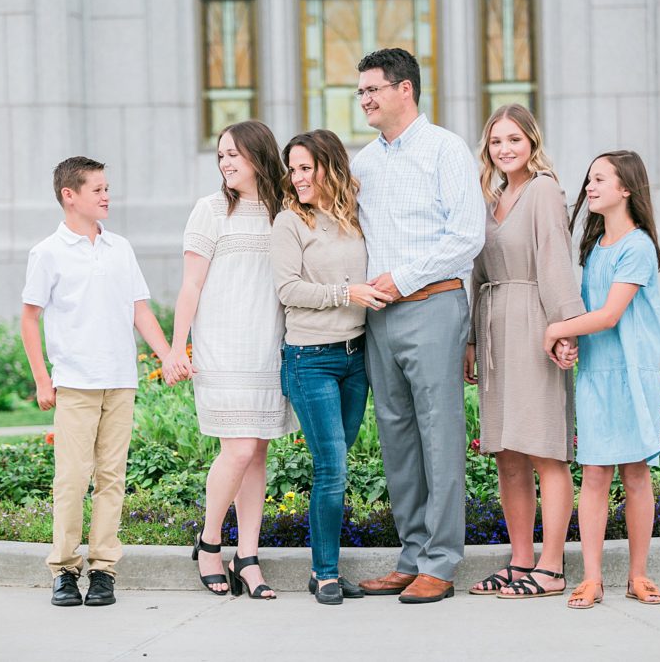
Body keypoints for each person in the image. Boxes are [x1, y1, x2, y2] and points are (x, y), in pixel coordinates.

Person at [351, 48, 486, 604]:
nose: (364, 99)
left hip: (432, 304)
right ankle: (411, 556)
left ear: (405, 89)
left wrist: (401, 278)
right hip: (378, 316)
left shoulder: (445, 150)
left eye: (372, 89)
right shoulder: (362, 163)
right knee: (397, 436)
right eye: (360, 92)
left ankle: (442, 560)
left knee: (440, 434)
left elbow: (467, 236)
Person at [21, 156, 171, 607]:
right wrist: (43, 379)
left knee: (112, 478)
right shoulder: (47, 252)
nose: (107, 196)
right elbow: (30, 320)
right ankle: (64, 570)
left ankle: (103, 570)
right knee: (71, 478)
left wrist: (168, 356)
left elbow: (140, 310)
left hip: (120, 380)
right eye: (98, 190)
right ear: (70, 195)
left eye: (107, 189)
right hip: (75, 383)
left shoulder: (120, 247)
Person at [161, 120, 297, 600]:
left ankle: (249, 556)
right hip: (223, 346)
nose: (225, 163)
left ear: (259, 155)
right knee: (238, 449)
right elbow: (191, 285)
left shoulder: (285, 209)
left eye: (234, 154)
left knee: (257, 453)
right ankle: (209, 541)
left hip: (269, 347)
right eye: (221, 155)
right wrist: (179, 347)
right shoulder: (211, 210)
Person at [463, 104, 585, 599]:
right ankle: (519, 562)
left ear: (532, 142)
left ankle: (551, 567)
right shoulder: (489, 198)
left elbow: (555, 257)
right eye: (496, 142)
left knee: (543, 449)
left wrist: (564, 327)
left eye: (514, 139)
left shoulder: (543, 191)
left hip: (535, 319)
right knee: (507, 454)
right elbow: (475, 272)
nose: (505, 149)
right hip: (494, 324)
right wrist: (471, 337)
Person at [270, 129, 392, 605]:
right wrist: (349, 294)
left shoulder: (354, 216)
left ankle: (327, 568)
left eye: (306, 167)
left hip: (355, 357)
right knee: (332, 467)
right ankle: (324, 573)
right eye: (293, 169)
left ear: (329, 166)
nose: (298, 177)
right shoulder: (289, 222)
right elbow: (289, 290)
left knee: (338, 465)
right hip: (310, 359)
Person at [542, 150, 660, 610]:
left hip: (632, 378)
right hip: (596, 376)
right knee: (594, 474)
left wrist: (556, 330)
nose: (589, 187)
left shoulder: (637, 247)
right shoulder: (595, 250)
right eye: (589, 179)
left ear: (626, 189)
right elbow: (589, 314)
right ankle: (592, 578)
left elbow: (611, 315)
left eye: (600, 180)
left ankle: (638, 574)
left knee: (635, 474)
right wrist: (570, 342)